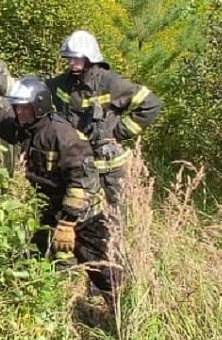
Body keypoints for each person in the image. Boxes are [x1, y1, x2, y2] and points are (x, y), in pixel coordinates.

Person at [0, 72, 118, 300]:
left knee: (102, 268)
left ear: (39, 106)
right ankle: (39, 305)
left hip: (85, 216)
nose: (19, 112)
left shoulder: (63, 135)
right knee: (36, 259)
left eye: (24, 108)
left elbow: (82, 181)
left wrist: (68, 223)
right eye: (17, 107)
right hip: (50, 209)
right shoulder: (28, 128)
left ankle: (122, 311)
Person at [47, 30, 161, 212]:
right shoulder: (65, 83)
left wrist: (118, 132)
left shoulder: (109, 83)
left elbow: (151, 104)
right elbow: (37, 90)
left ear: (89, 57)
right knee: (77, 217)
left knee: (112, 219)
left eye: (76, 58)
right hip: (77, 165)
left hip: (108, 170)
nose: (71, 62)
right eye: (69, 58)